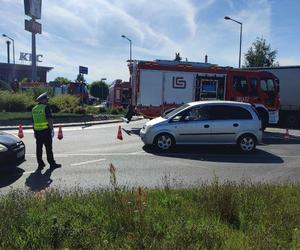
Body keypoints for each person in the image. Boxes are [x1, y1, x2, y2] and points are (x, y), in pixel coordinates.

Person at [32, 92, 61, 170]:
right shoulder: (46, 107)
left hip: (38, 132)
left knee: (39, 148)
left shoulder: (34, 109)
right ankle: (52, 164)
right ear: (43, 100)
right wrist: (52, 129)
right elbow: (49, 119)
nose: (47, 100)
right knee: (48, 148)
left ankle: (40, 164)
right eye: (46, 99)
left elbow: (33, 121)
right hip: (45, 131)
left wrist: (34, 131)